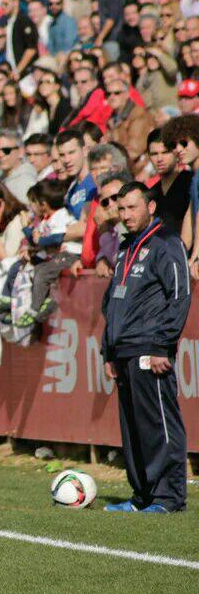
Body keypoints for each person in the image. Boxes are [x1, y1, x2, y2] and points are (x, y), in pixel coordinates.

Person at [102, 182, 190, 514]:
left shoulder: (166, 243)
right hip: (123, 350)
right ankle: (143, 496)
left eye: (132, 207)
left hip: (150, 348)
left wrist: (162, 345)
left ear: (150, 207)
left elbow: (179, 297)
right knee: (134, 429)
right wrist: (107, 350)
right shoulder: (126, 247)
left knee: (159, 424)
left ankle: (168, 498)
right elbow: (111, 302)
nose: (125, 215)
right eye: (121, 209)